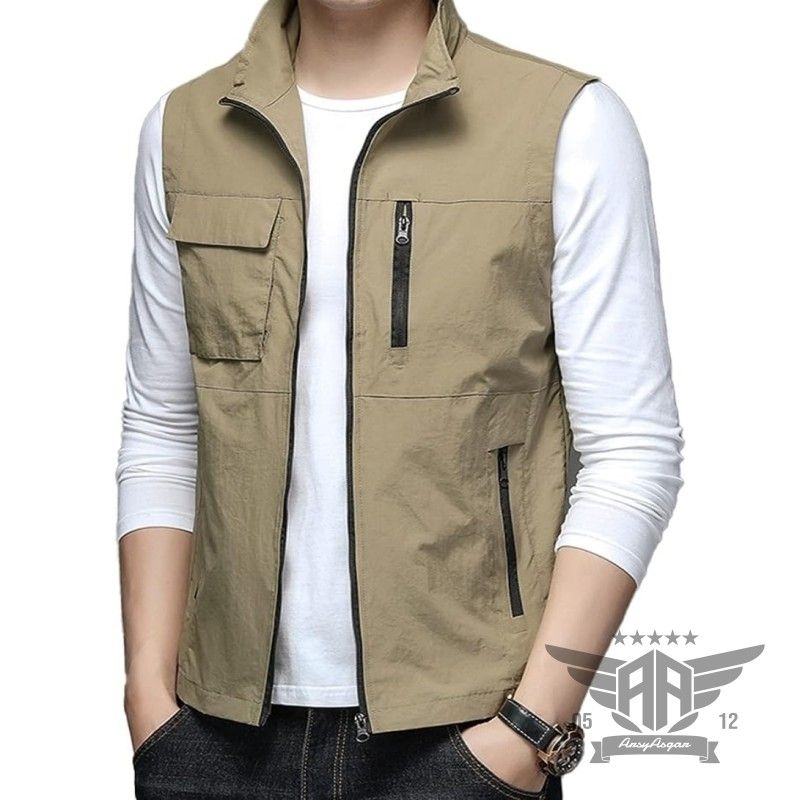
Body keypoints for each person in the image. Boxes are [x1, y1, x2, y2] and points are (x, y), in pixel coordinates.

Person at [115, 0, 685, 797]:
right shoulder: (184, 130)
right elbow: (166, 428)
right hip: (212, 739)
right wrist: (149, 697)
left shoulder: (565, 124)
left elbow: (632, 450)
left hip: (466, 735)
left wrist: (530, 730)